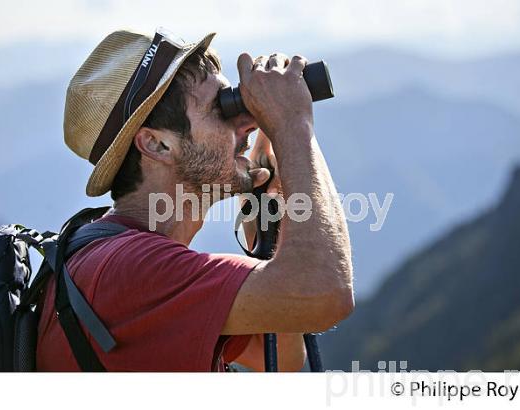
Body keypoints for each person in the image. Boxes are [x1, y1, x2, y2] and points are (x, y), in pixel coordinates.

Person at [36, 28, 354, 371]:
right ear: (157, 145)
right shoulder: (132, 271)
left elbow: (278, 354)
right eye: (222, 108)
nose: (248, 122)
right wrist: (293, 125)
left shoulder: (122, 259)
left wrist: (268, 205)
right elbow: (324, 294)